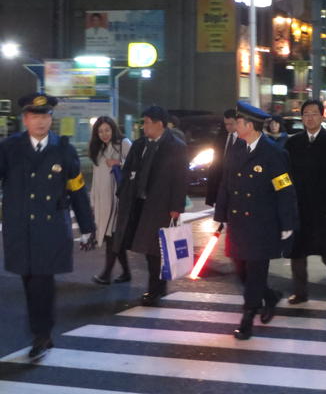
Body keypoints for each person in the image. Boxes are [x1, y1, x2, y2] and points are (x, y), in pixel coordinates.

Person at [0, 93, 95, 361]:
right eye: (35, 116)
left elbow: (77, 189)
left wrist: (87, 226)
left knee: (43, 282)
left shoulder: (63, 148)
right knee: (29, 281)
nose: (41, 121)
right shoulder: (9, 147)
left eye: (45, 116)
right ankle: (41, 331)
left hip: (51, 229)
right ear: (25, 119)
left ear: (51, 119)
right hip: (19, 229)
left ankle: (42, 335)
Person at [213, 101, 298, 340]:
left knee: (255, 273)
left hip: (262, 224)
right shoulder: (235, 149)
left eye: (238, 122)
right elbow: (226, 184)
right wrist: (221, 215)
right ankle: (269, 296)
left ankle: (248, 317)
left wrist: (287, 224)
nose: (235, 126)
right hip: (239, 222)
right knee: (241, 271)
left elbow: (285, 189)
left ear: (249, 125)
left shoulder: (274, 153)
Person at [113, 105, 189, 306]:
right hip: (138, 202)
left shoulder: (175, 146)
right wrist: (123, 193)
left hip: (162, 204)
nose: (143, 126)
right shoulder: (140, 145)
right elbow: (128, 169)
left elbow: (180, 179)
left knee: (156, 249)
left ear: (159, 124)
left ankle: (155, 289)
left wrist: (176, 206)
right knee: (148, 248)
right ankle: (157, 287)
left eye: (146, 122)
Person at [285, 99, 326, 303]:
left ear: (322, 116)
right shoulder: (292, 142)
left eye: (313, 113)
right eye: (305, 114)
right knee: (297, 250)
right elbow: (283, 173)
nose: (309, 118)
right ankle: (300, 291)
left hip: (324, 206)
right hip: (298, 205)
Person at [89, 116, 132, 285]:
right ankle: (126, 272)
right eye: (100, 131)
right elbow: (95, 177)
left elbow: (138, 166)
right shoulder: (98, 148)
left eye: (107, 130)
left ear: (114, 129)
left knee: (112, 236)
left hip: (117, 199)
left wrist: (119, 162)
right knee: (113, 237)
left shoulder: (124, 143)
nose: (104, 134)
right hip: (102, 200)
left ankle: (106, 274)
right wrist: (93, 200)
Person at [205, 109, 245, 207]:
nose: (228, 127)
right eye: (226, 124)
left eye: (231, 124)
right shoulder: (222, 136)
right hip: (221, 177)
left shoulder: (244, 138)